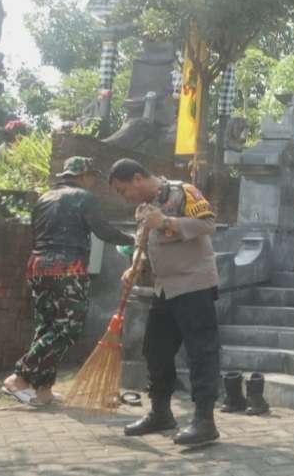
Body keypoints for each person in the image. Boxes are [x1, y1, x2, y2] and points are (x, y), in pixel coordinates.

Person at [2, 156, 133, 406]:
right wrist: (133, 239)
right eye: (92, 176)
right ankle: (19, 377)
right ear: (84, 176)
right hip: (67, 268)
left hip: (38, 266)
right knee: (68, 326)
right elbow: (103, 231)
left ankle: (43, 390)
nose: (94, 181)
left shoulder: (44, 198)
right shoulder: (84, 197)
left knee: (47, 326)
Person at [108, 158, 222, 446]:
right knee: (155, 350)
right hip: (165, 289)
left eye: (123, 191)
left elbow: (209, 224)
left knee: (201, 352)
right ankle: (161, 413)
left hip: (194, 284)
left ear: (137, 178)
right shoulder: (144, 209)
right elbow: (143, 245)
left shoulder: (182, 192)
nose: (124, 198)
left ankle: (204, 421)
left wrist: (167, 221)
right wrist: (134, 266)